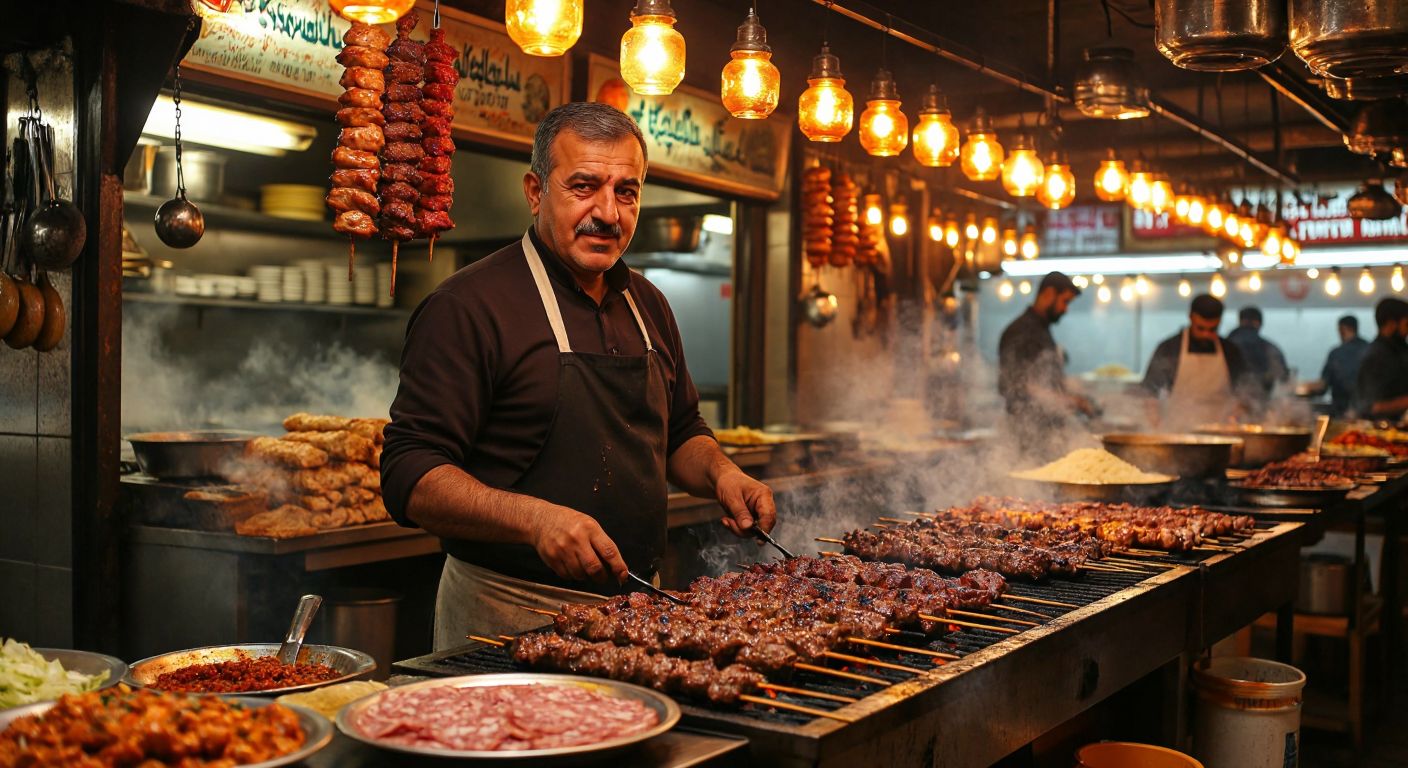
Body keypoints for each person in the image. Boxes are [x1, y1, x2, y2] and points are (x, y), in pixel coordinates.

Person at [380, 102, 776, 650]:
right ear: (535, 192)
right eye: (584, 186)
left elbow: (681, 433)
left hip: (638, 609)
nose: (608, 213)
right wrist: (535, 520)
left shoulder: (649, 305)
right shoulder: (467, 307)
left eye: (626, 192)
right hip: (507, 614)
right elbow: (410, 473)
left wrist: (722, 474)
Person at [997, 271, 1094, 454]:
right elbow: (1016, 386)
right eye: (1065, 301)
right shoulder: (1019, 332)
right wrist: (1069, 401)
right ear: (1049, 293)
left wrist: (1072, 395)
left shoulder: (1042, 330)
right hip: (1028, 438)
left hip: (1048, 437)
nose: (1066, 309)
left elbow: (1047, 380)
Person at [1140, 294, 1254, 430]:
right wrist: (1155, 422)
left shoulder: (1230, 351)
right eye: (1200, 328)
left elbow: (1246, 391)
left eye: (1212, 330)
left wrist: (1239, 412)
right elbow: (1149, 392)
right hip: (1177, 430)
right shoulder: (1169, 348)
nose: (1206, 334)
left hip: (1221, 432)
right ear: (1191, 317)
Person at [1355, 298, 1408, 421]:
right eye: (1406, 324)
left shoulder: (1400, 351)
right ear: (1391, 324)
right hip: (1381, 430)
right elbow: (1370, 407)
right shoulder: (1376, 356)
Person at [1225, 306, 1289, 408]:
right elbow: (1283, 376)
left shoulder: (1225, 345)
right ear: (1258, 323)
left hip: (1227, 406)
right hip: (1260, 404)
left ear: (1240, 321)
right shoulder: (1269, 347)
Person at [1317, 315, 1369, 417]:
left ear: (1342, 329)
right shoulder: (1370, 349)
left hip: (1342, 412)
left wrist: (1300, 388)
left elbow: (1322, 386)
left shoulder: (1336, 353)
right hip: (1367, 411)